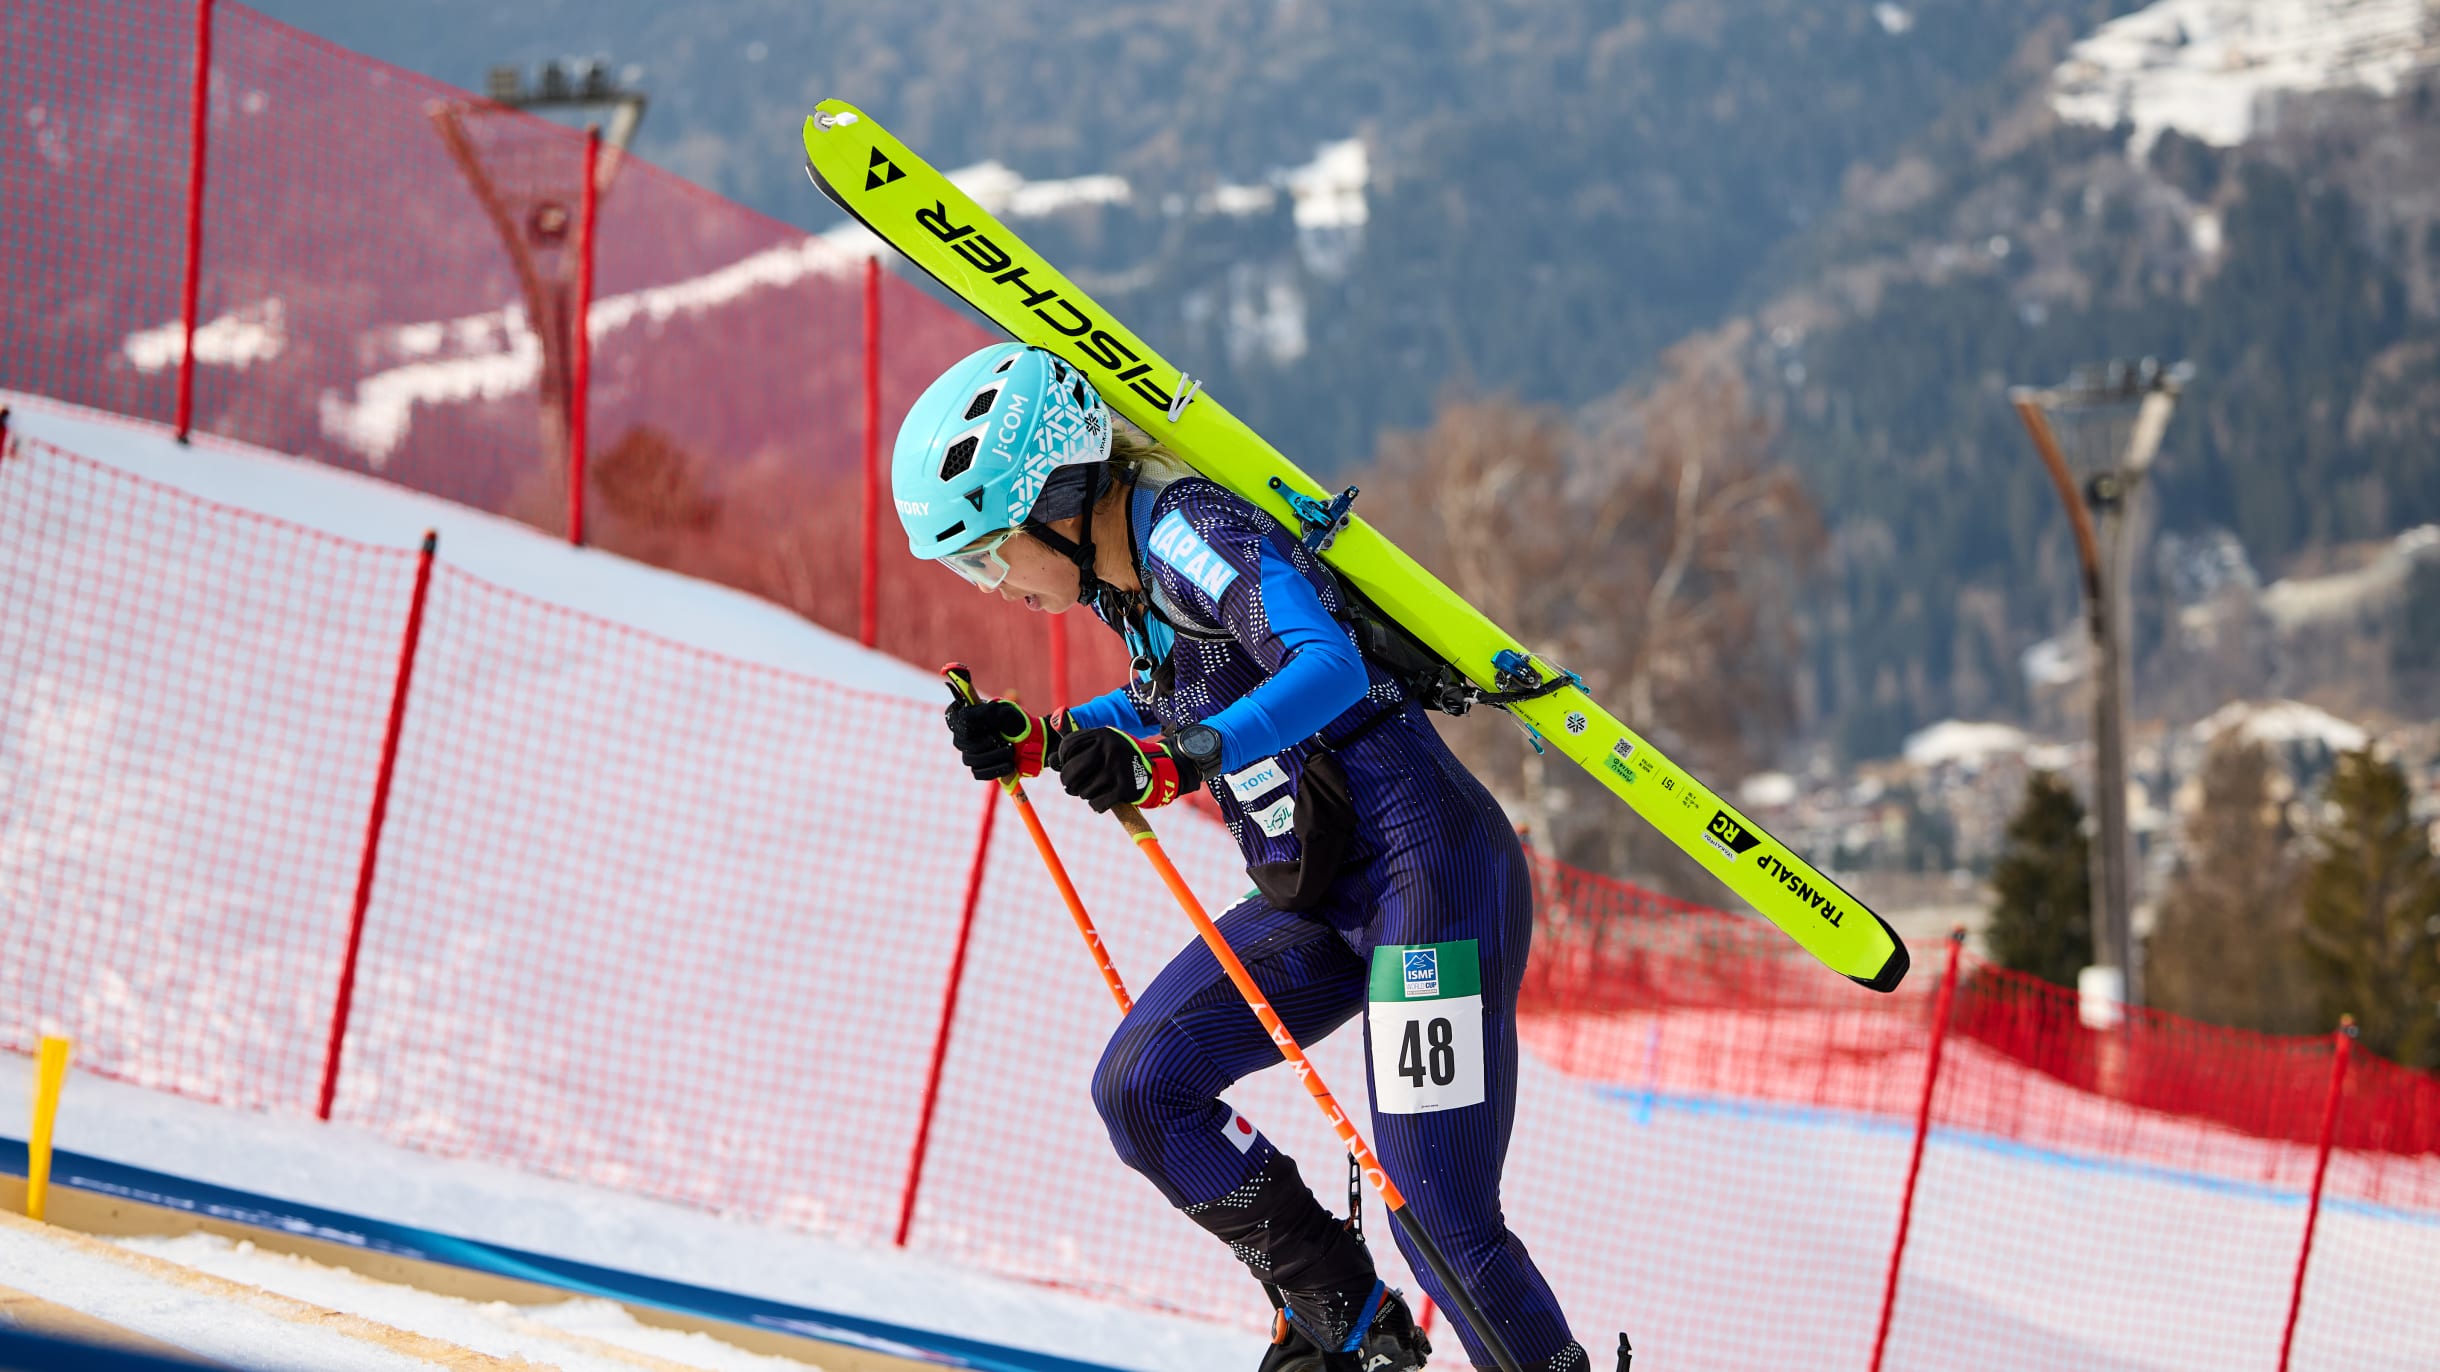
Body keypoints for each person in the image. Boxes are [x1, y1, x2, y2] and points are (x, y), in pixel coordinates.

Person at [895, 343, 1585, 1372]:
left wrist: (1171, 762)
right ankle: (1346, 1328)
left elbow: (1326, 664)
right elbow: (1184, 692)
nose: (990, 585)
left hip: (1424, 879)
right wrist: (1045, 739)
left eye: (987, 553)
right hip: (1321, 892)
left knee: (1438, 1219)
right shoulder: (1127, 581)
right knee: (1144, 1085)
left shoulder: (1189, 532)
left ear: (1058, 502)